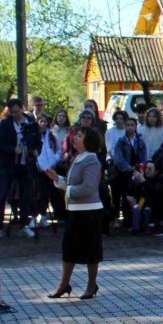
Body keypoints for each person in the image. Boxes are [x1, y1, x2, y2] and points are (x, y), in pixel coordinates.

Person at [46, 128, 104, 299]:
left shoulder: (92, 160)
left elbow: (88, 187)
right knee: (69, 248)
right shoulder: (78, 158)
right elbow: (72, 184)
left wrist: (67, 189)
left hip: (89, 211)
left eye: (80, 136)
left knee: (91, 249)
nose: (75, 138)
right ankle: (64, 284)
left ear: (89, 141)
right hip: (75, 211)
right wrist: (57, 179)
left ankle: (92, 285)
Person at [0, 98, 39, 240]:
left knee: (26, 195)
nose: (14, 114)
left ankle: (24, 225)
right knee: (1, 195)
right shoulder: (5, 124)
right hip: (8, 165)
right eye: (11, 112)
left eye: (16, 112)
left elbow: (37, 140)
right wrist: (12, 150)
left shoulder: (30, 122)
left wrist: (34, 150)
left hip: (25, 165)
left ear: (22, 109)